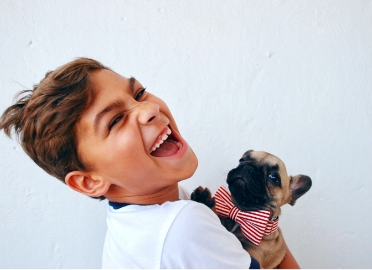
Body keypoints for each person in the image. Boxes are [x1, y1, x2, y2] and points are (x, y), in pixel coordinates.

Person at [0, 58, 299, 268]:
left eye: (139, 94)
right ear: (90, 182)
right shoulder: (182, 227)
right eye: (116, 120)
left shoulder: (138, 221)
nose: (149, 109)